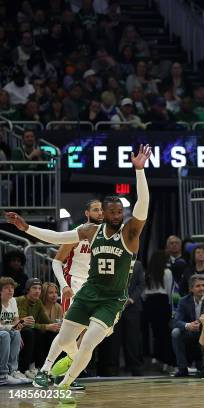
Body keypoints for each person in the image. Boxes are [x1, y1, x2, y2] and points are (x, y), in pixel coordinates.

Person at [6, 144, 151, 395]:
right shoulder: (89, 231)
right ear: (103, 213)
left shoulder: (130, 233)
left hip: (111, 299)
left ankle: (64, 385)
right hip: (88, 291)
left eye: (120, 212)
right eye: (112, 212)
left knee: (88, 344)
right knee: (64, 338)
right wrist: (26, 228)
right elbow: (57, 237)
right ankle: (47, 371)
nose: (118, 215)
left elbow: (143, 205)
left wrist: (140, 171)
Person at [52, 199, 104, 313]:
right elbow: (56, 261)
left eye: (101, 209)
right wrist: (64, 285)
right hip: (74, 282)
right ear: (87, 213)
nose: (100, 212)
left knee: (94, 328)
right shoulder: (76, 234)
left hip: (95, 285)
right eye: (96, 210)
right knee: (73, 327)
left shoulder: (105, 235)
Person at [171, 275, 204, 377]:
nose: (202, 288)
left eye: (203, 285)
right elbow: (176, 321)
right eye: (198, 286)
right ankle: (182, 368)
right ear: (191, 289)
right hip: (191, 331)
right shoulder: (183, 301)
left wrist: (203, 325)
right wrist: (188, 325)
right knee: (175, 332)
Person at [16, 278, 59, 378]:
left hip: (31, 330)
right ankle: (24, 368)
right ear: (28, 289)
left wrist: (56, 326)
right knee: (32, 332)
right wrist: (46, 326)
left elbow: (46, 321)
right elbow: (25, 324)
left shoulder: (38, 302)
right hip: (19, 330)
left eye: (39, 288)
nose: (37, 291)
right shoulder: (22, 301)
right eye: (34, 288)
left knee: (51, 333)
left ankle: (44, 367)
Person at [142, 251, 174, 369]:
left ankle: (156, 357)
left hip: (149, 303)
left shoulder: (147, 273)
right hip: (162, 302)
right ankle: (166, 360)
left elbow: (143, 293)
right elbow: (169, 291)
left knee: (155, 333)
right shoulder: (167, 272)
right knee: (165, 333)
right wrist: (171, 307)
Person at [0, 277, 30, 385]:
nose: (10, 290)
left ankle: (12, 371)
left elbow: (16, 321)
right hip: (3, 332)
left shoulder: (13, 301)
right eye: (7, 288)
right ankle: (2, 374)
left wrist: (18, 332)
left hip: (7, 330)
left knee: (16, 333)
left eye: (12, 288)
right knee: (5, 335)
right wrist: (12, 327)